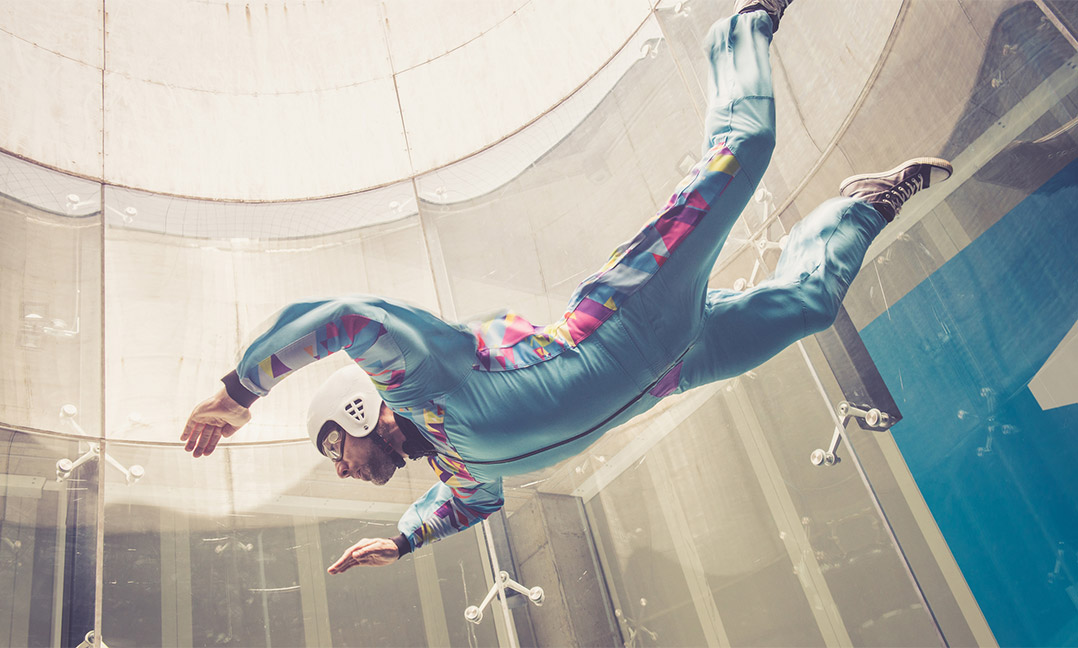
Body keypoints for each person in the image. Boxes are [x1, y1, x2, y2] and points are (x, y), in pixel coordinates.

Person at [181, 0, 953, 573]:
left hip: (631, 313)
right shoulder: (464, 473)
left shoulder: (425, 379)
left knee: (746, 147)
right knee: (812, 305)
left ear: (359, 410)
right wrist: (403, 539)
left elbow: (342, 318)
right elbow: (465, 507)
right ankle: (862, 205)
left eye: (333, 450)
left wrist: (241, 389)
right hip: (676, 369)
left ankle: (743, 24)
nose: (342, 469)